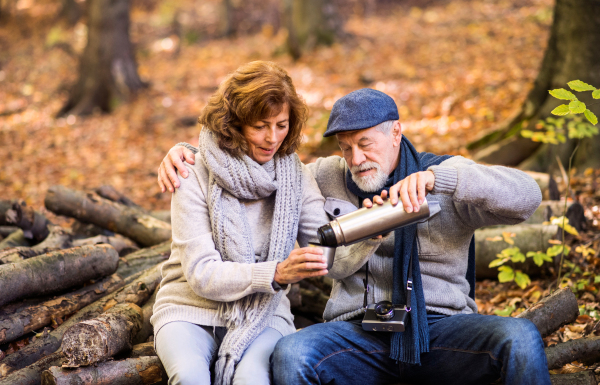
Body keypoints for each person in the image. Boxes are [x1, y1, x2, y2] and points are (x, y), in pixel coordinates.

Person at [157, 88, 551, 385]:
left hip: (438, 329)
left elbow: (527, 197)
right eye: (346, 148)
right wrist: (187, 152)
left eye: (365, 144)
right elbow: (261, 173)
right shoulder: (326, 176)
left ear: (397, 132)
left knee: (519, 338)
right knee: (293, 354)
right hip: (357, 332)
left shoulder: (444, 177)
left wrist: (439, 179)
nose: (356, 159)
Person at [151, 62, 381, 385]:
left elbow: (331, 258)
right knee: (190, 377)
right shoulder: (190, 172)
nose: (272, 138)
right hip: (190, 310)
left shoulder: (296, 177)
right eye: (260, 126)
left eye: (281, 125)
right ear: (234, 123)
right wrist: (274, 273)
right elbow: (202, 274)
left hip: (266, 314)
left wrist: (371, 233)